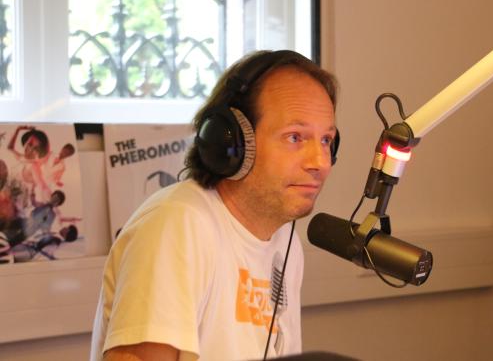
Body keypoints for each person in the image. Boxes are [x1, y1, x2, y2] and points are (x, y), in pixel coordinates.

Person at [90, 50, 339, 361]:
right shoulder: (178, 224)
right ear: (232, 143)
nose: (320, 162)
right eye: (295, 137)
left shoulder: (285, 240)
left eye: (326, 140)